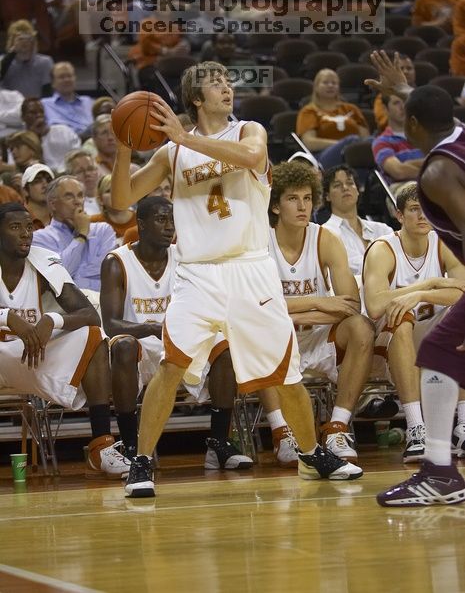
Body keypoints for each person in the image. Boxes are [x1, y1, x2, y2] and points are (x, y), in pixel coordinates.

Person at [112, 60, 362, 497]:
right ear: (195, 97)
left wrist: (185, 136)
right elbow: (120, 200)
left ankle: (310, 453)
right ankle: (142, 461)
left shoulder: (249, 130)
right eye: (215, 84)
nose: (226, 89)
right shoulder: (170, 154)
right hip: (197, 274)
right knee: (171, 367)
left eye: (228, 82)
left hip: (250, 267)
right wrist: (122, 143)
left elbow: (253, 158)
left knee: (284, 374)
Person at [365, 50, 465, 506]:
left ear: (416, 126)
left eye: (403, 112)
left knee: (440, 350)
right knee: (440, 350)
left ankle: (440, 472)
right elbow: (431, 105)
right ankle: (441, 471)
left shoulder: (440, 172)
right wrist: (399, 89)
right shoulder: (456, 131)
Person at [101, 195, 252, 469]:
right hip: (139, 343)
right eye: (161, 220)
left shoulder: (185, 257)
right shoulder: (116, 261)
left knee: (225, 347)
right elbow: (111, 323)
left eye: (173, 220)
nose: (170, 227)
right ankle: (131, 446)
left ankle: (219, 443)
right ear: (142, 224)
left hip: (182, 339)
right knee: (122, 346)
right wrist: (152, 328)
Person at [0, 202, 130, 478]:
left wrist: (52, 320)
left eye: (27, 227)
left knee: (93, 336)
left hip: (30, 353)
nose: (25, 234)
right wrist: (8, 317)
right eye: (15, 227)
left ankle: (100, 447)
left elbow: (89, 314)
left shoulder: (43, 260)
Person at [262, 161, 374, 465]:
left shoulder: (325, 238)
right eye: (293, 199)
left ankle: (337, 427)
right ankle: (281, 432)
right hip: (278, 339)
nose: (303, 206)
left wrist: (292, 313)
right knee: (258, 330)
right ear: (275, 207)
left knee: (361, 327)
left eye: (308, 198)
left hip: (318, 336)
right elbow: (256, 307)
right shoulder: (260, 243)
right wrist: (321, 303)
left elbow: (350, 304)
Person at [363, 182, 465, 463]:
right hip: (388, 342)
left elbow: (462, 289)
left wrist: (421, 291)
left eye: (428, 210)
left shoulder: (443, 242)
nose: (423, 217)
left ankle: (462, 426)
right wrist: (430, 283)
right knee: (402, 318)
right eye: (414, 210)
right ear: (398, 215)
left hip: (431, 337)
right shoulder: (383, 249)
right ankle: (415, 427)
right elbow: (374, 305)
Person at [32, 176, 116, 294]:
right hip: (66, 310)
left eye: (80, 195)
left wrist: (75, 276)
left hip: (104, 302)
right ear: (53, 205)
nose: (77, 201)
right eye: (69, 196)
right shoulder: (40, 238)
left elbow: (108, 274)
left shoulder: (103, 230)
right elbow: (59, 277)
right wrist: (81, 235)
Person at [322, 165, 393, 279]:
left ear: (358, 190)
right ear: (327, 196)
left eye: (350, 183)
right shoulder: (325, 233)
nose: (345, 187)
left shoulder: (383, 230)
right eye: (337, 185)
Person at [296, 69, 370, 170]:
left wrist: (350, 147)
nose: (330, 85)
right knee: (352, 140)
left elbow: (365, 138)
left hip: (355, 153)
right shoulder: (309, 111)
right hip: (322, 156)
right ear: (316, 87)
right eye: (325, 82)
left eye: (334, 83)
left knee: (374, 141)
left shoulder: (351, 109)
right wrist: (343, 145)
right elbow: (309, 142)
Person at [372, 94, 424, 187]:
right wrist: (432, 167)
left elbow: (444, 163)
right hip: (402, 190)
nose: (403, 107)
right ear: (385, 109)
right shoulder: (381, 142)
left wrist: (407, 164)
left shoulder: (425, 134)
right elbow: (399, 172)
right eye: (396, 103)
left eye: (405, 102)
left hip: (431, 185)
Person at [21, 97, 80, 173]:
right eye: (33, 113)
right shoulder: (20, 141)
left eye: (41, 111)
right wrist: (35, 137)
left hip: (69, 174)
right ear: (23, 117)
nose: (39, 115)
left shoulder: (64, 131)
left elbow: (77, 155)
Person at [0, 19, 53, 99]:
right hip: (10, 106)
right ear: (12, 41)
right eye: (20, 39)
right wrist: (12, 52)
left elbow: (48, 91)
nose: (24, 42)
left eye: (27, 38)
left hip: (37, 105)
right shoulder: (3, 61)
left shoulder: (45, 62)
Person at [41, 63, 94, 137]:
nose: (67, 80)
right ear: (53, 83)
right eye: (61, 77)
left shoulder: (88, 101)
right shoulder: (44, 104)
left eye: (69, 76)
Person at [373, 54, 416, 133]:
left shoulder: (422, 94)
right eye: (401, 68)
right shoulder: (384, 97)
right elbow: (383, 123)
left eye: (409, 68)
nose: (406, 71)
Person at [90, 174, 136, 244]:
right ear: (100, 200)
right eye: (109, 191)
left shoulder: (141, 220)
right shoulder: (93, 223)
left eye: (119, 189)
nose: (115, 193)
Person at [64, 150, 101, 215]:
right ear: (70, 177)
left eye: (90, 169)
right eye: (80, 171)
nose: (87, 174)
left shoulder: (110, 197)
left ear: (98, 171)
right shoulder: (71, 206)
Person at [22, 162, 54, 229]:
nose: (45, 185)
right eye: (37, 181)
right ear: (25, 190)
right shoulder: (18, 218)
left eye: (49, 180)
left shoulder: (62, 216)